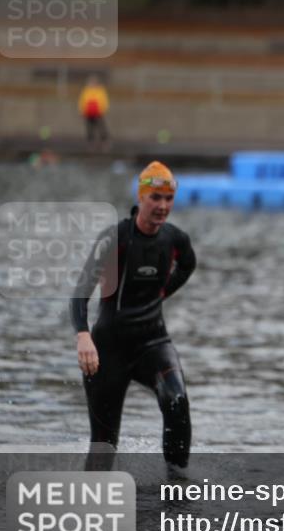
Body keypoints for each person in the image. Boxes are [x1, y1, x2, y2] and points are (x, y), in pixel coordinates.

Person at [71, 161, 196, 476]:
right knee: (104, 443)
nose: (162, 206)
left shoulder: (175, 240)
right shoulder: (116, 239)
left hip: (153, 342)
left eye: (169, 199)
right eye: (155, 198)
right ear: (141, 197)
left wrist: (162, 293)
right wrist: (83, 335)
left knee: (177, 402)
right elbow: (80, 292)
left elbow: (188, 266)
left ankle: (176, 490)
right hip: (108, 349)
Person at [78, 74, 110, 150]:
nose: (92, 84)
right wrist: (82, 110)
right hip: (88, 113)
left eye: (93, 82)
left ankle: (104, 141)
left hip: (98, 113)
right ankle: (91, 142)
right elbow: (82, 101)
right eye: (90, 82)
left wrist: (103, 110)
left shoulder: (100, 91)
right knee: (89, 128)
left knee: (101, 127)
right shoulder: (86, 91)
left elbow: (104, 101)